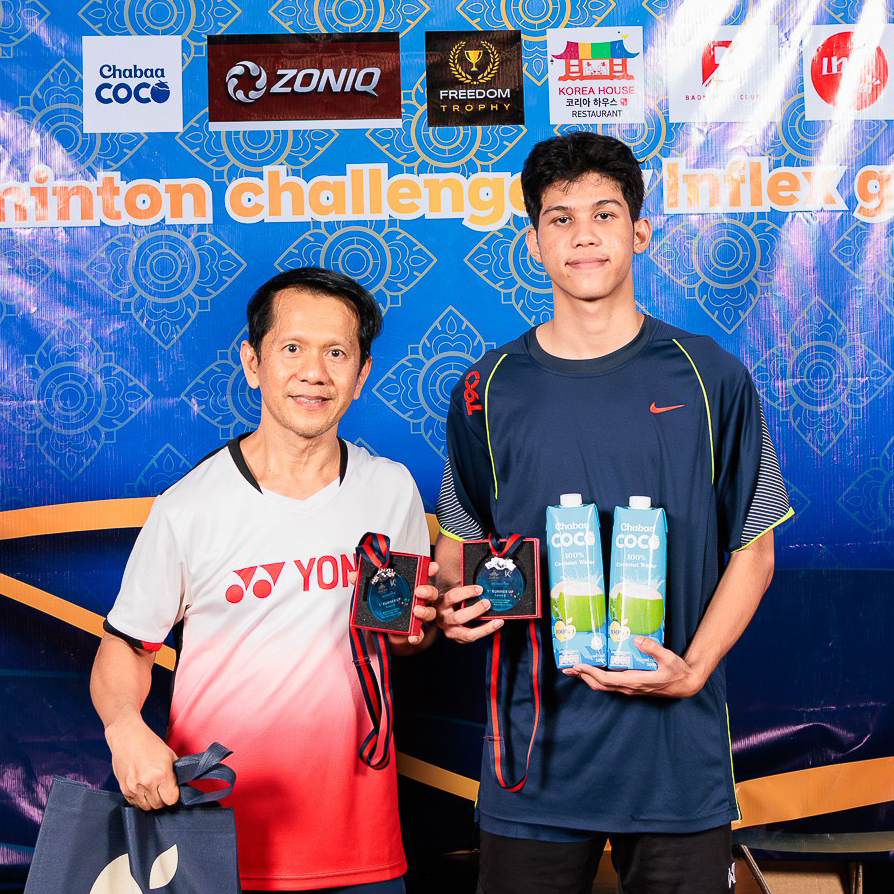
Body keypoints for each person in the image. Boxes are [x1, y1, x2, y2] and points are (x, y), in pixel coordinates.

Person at [434, 132, 793, 894]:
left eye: (604, 214)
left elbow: (754, 548)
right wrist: (454, 603)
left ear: (639, 232)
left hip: (675, 760)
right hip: (532, 760)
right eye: (560, 219)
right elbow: (458, 543)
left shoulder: (711, 376)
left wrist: (694, 670)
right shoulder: (485, 388)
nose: (584, 234)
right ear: (533, 243)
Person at [90, 267, 438, 893]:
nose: (315, 372)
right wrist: (124, 729)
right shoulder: (189, 506)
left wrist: (424, 628)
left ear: (361, 374)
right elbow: (126, 646)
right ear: (253, 363)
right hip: (217, 841)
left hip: (362, 845)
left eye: (337, 353)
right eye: (292, 348)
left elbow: (404, 637)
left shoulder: (392, 490)